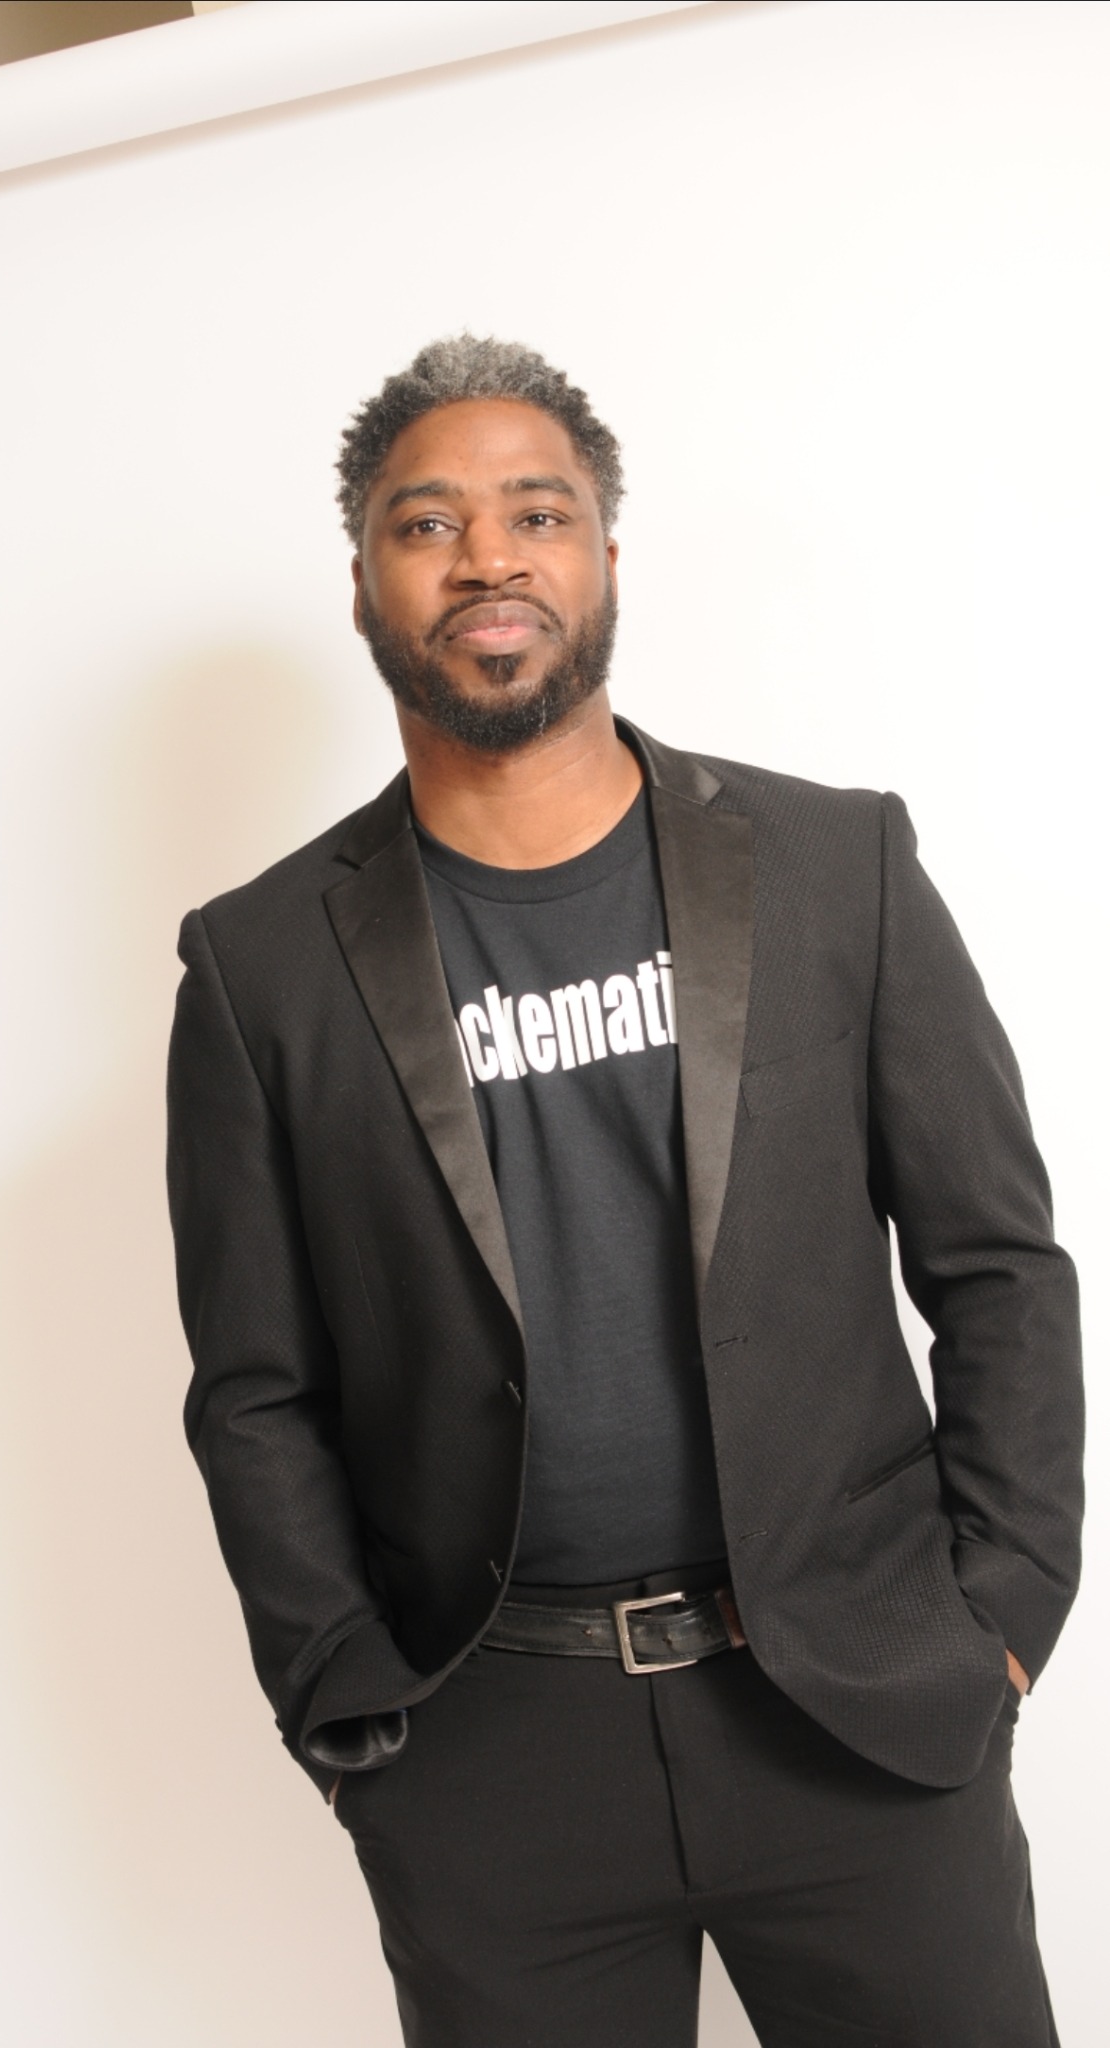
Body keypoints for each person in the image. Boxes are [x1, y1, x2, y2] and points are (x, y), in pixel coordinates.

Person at [166, 337, 1082, 2045]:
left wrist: (1002, 1611)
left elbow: (995, 1263)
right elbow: (256, 1389)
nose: (486, 555)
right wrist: (351, 1710)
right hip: (496, 1755)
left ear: (602, 555)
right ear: (363, 583)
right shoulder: (259, 966)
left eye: (538, 512)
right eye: (424, 523)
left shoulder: (834, 866)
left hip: (857, 1703)